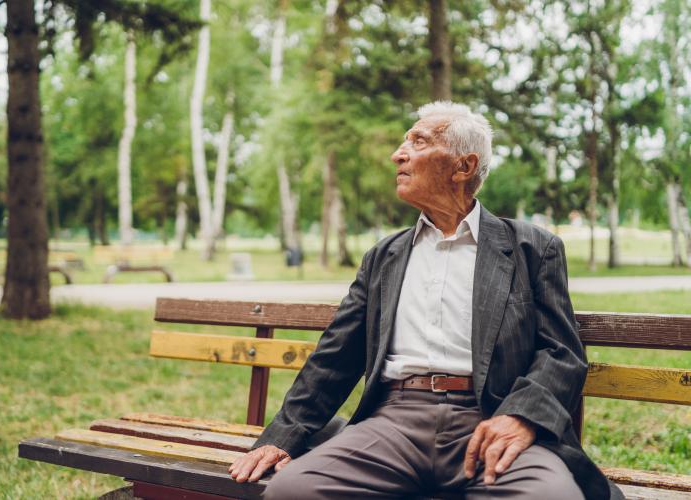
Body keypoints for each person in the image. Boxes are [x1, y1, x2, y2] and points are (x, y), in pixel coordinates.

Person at [229, 101, 623, 500]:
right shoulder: (384, 257)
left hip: (490, 420)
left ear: (463, 167)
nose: (398, 154)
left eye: (418, 141)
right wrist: (282, 437)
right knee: (294, 491)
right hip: (394, 421)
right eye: (404, 142)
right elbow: (335, 356)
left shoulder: (531, 249)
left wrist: (521, 417)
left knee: (549, 498)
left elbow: (561, 352)